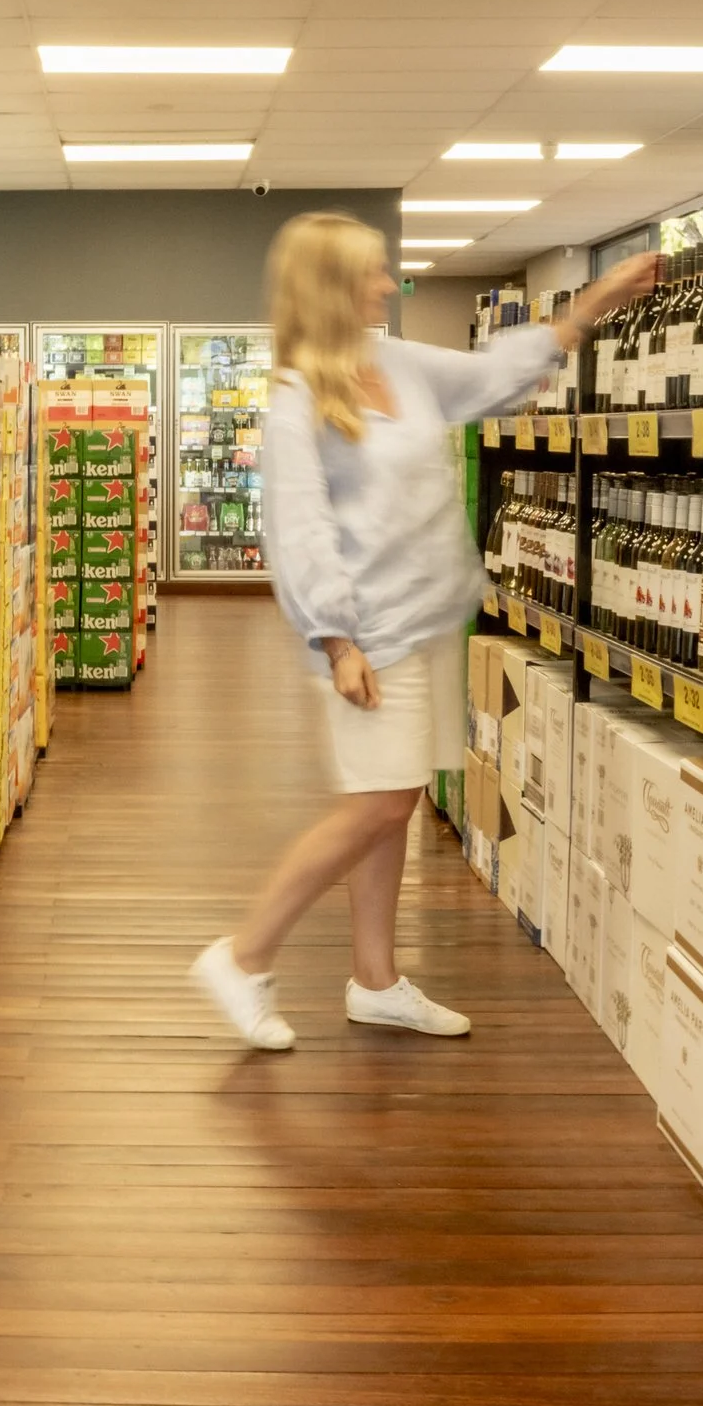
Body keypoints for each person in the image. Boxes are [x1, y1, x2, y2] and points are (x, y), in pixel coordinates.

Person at [190, 212, 657, 1050]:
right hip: (370, 637)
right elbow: (298, 528)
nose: (387, 285)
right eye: (373, 273)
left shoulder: (396, 364)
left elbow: (492, 378)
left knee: (395, 803)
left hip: (429, 618)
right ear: (332, 287)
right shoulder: (298, 398)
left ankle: (375, 979)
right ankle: (244, 953)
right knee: (372, 805)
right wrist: (337, 640)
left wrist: (593, 304)